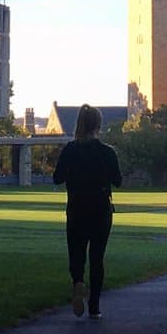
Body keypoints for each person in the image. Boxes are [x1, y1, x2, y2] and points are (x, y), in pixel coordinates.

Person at [52, 104, 122, 319]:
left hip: (76, 208)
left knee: (77, 253)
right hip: (101, 209)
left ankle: (78, 282)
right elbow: (117, 181)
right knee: (97, 257)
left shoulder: (70, 150)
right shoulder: (106, 152)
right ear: (98, 125)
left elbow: (57, 178)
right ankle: (94, 306)